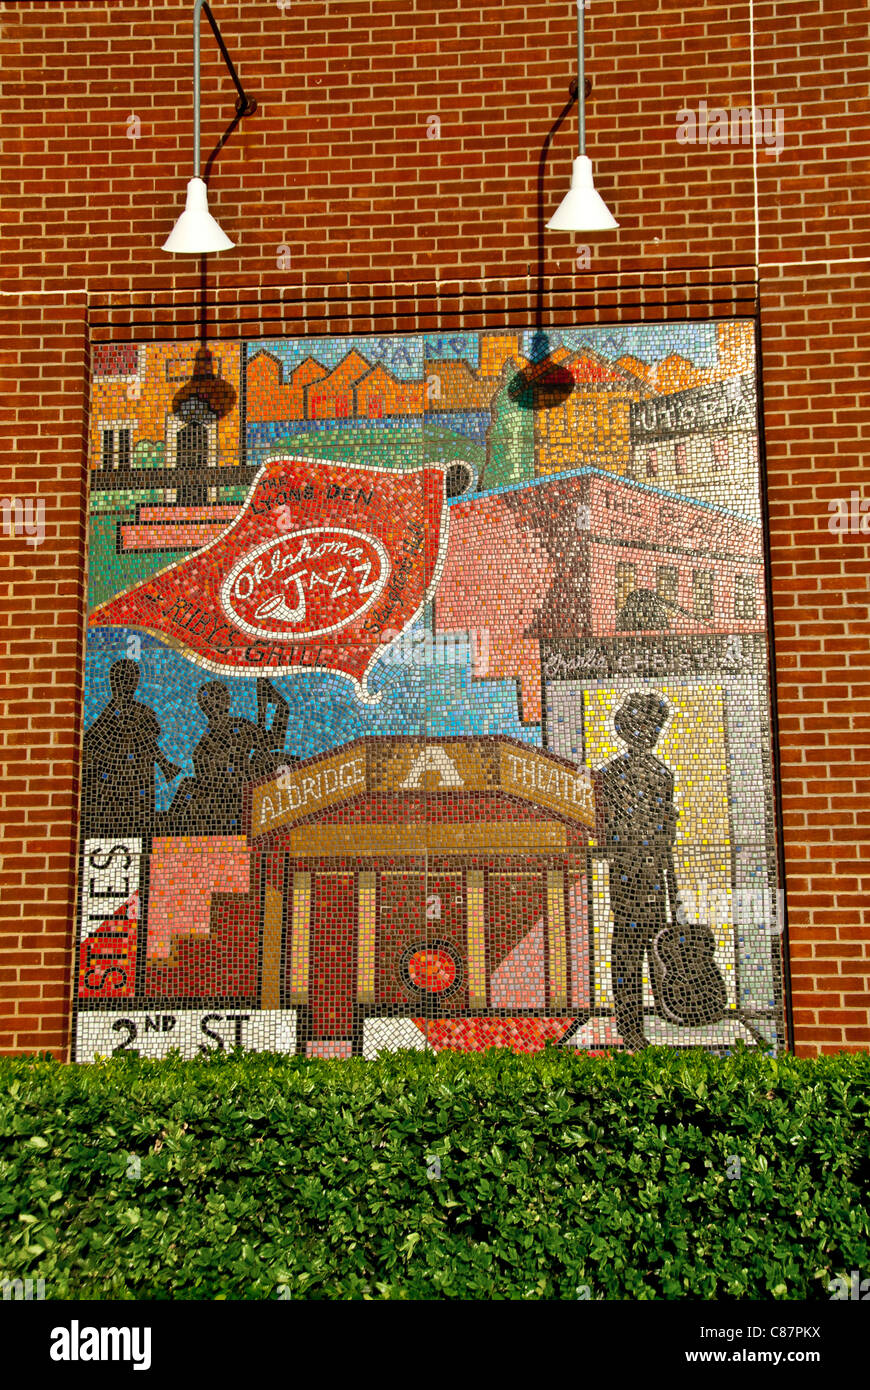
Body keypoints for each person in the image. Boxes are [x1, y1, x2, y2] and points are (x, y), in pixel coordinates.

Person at [596, 692, 679, 1050]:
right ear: (628, 731)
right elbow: (603, 833)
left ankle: (668, 1011)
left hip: (656, 876)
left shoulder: (663, 775)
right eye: (641, 727)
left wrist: (666, 830)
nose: (647, 734)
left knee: (659, 947)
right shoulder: (610, 776)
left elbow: (666, 831)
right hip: (627, 873)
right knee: (628, 952)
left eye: (653, 728)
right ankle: (630, 1026)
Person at [169, 677, 291, 832]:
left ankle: (168, 825)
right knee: (187, 785)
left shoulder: (236, 727)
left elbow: (273, 743)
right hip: (221, 792)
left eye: (217, 698)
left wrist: (281, 706)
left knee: (187, 785)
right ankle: (169, 825)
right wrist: (280, 705)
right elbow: (273, 742)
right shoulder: (217, 733)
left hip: (235, 787)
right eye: (209, 701)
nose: (214, 704)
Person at [82, 658, 180, 833]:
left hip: (137, 776)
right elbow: (92, 742)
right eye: (124, 679)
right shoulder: (110, 714)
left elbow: (153, 731)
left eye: (131, 679)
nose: (128, 685)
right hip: (112, 777)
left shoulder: (141, 712)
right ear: (114, 682)